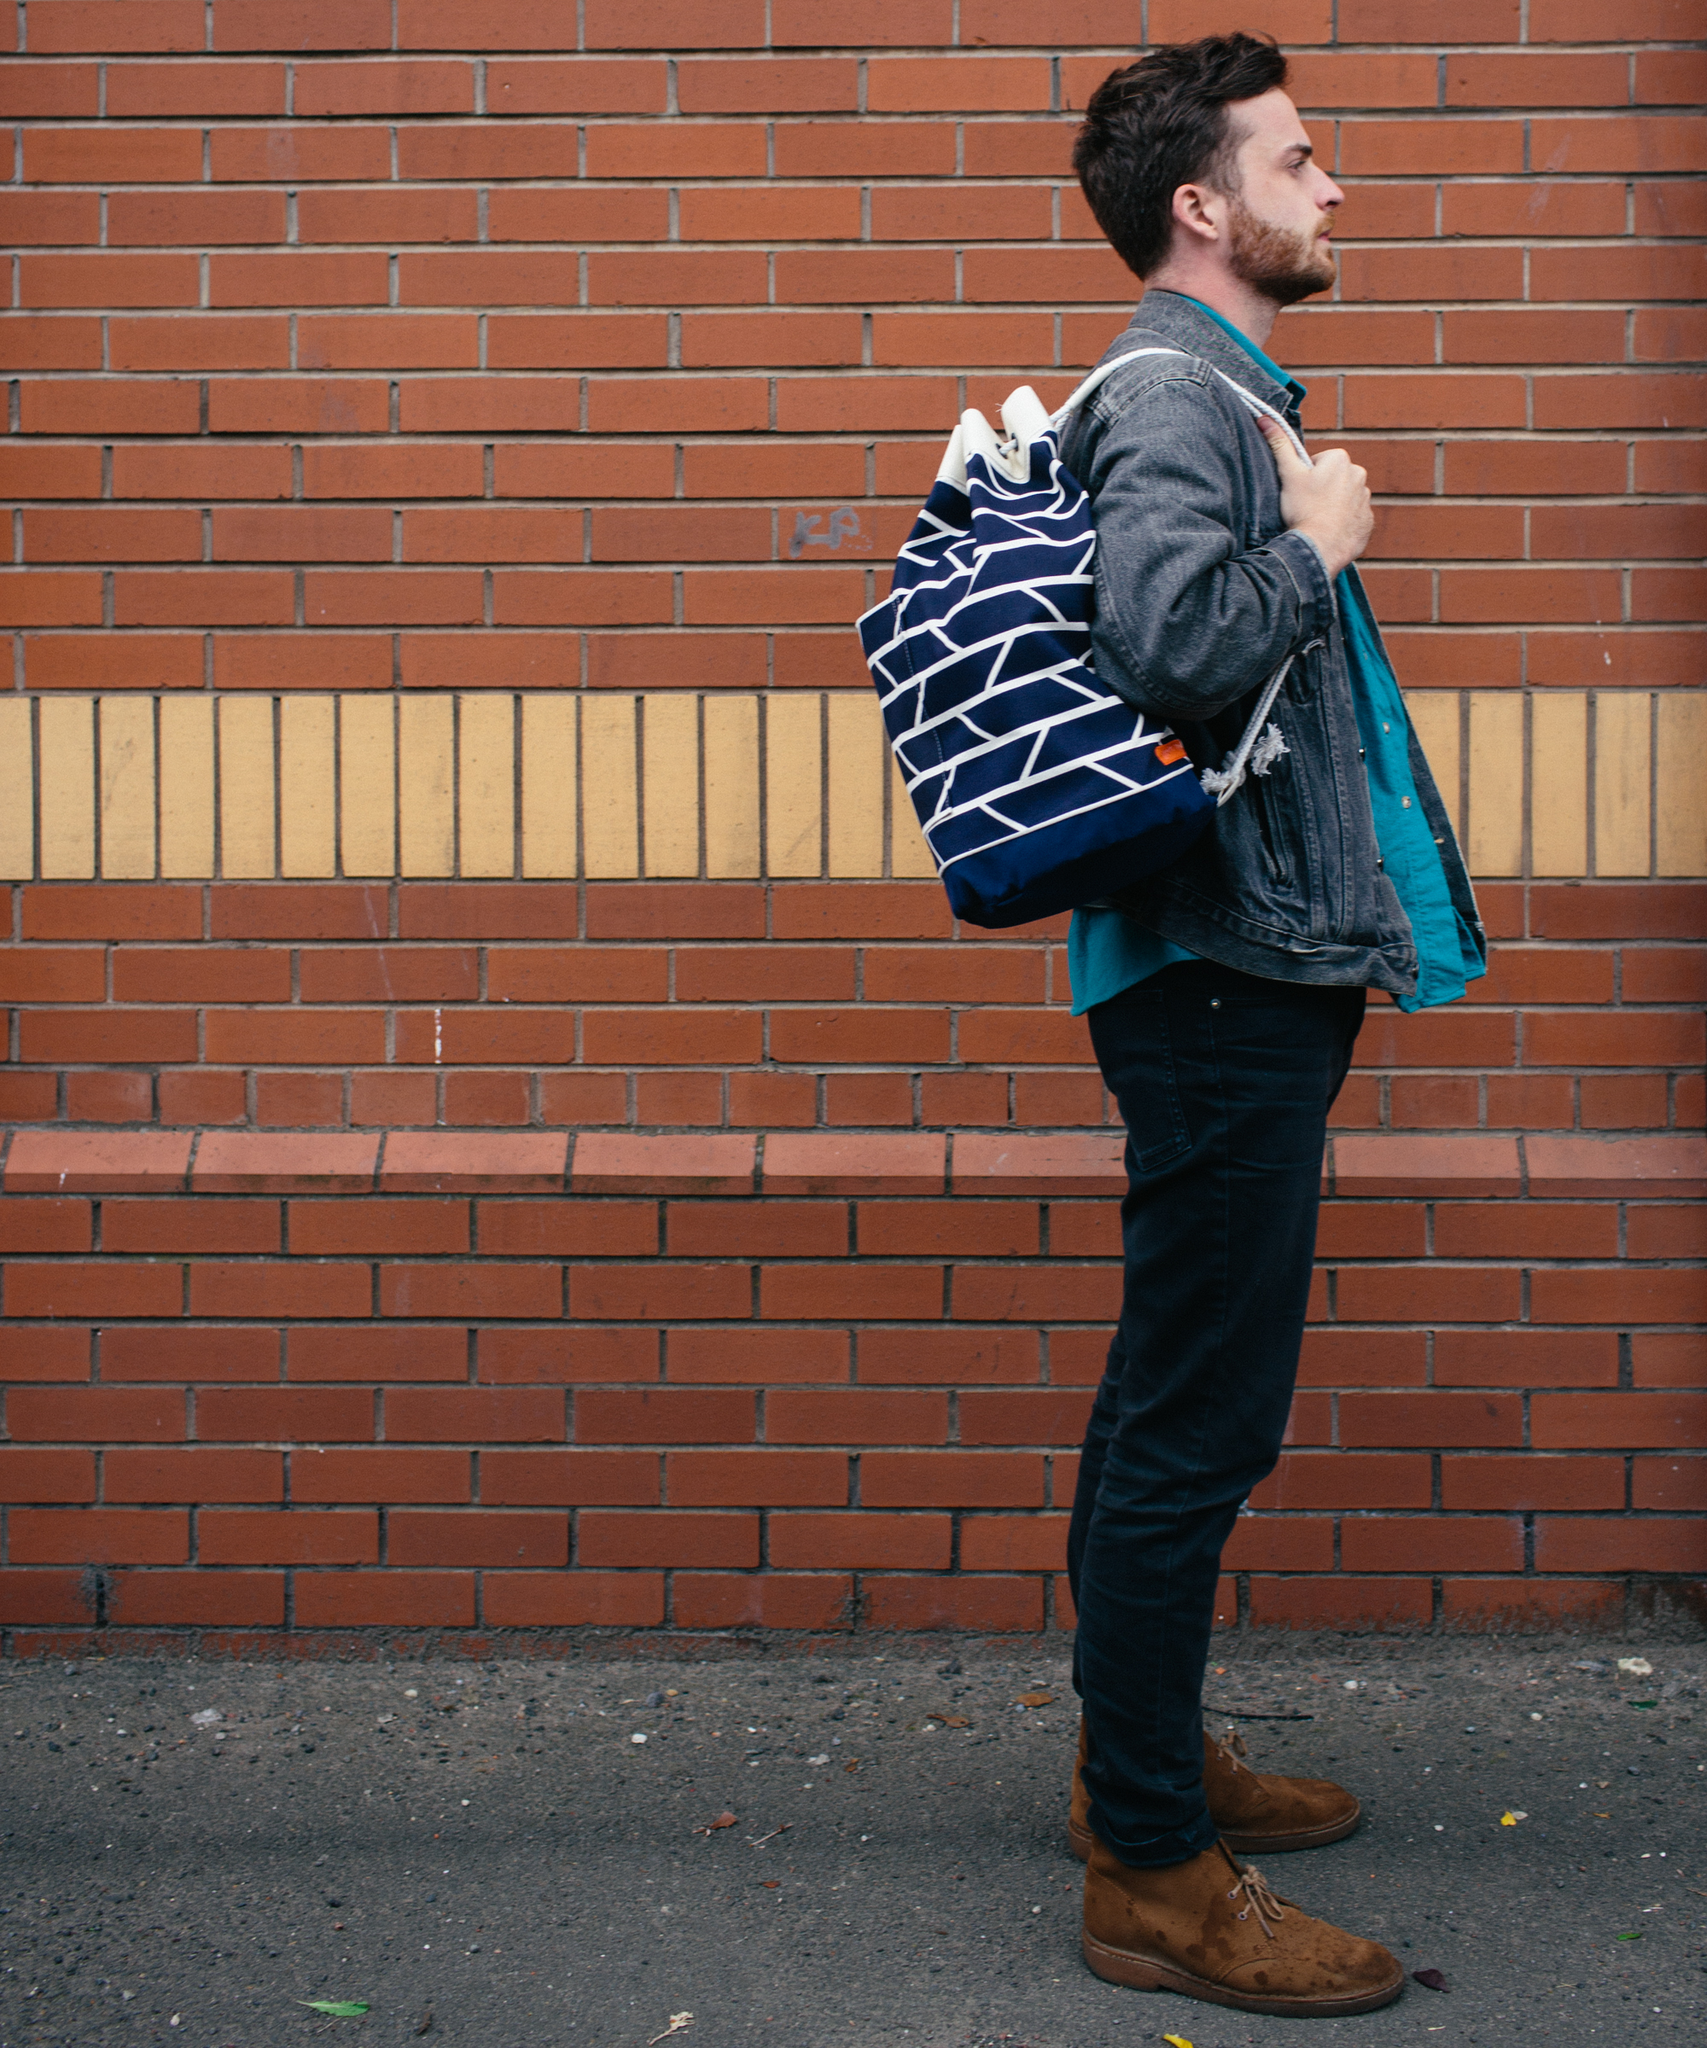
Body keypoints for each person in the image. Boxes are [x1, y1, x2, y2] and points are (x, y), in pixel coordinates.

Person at [1057, 32, 1484, 2019]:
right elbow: (1167, 641)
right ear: (1200, 207)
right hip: (1219, 980)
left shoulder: (1209, 391)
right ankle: (1152, 1864)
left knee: (1171, 1404)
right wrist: (1315, 539)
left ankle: (1134, 1765)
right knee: (1195, 1424)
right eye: (1299, 160)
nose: (1336, 187)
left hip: (1232, 969)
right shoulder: (1174, 399)